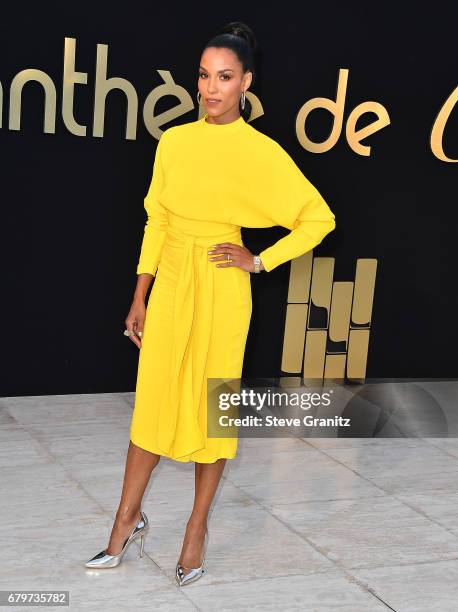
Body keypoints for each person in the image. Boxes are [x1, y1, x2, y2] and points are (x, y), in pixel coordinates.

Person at [84, 21, 336, 586]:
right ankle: (125, 519)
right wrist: (140, 294)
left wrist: (260, 260)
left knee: (213, 410)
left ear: (246, 82)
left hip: (223, 288)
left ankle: (196, 528)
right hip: (171, 280)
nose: (211, 88)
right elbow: (158, 219)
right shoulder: (175, 141)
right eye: (203, 75)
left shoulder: (260, 152)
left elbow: (318, 218)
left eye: (224, 77)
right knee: (152, 404)